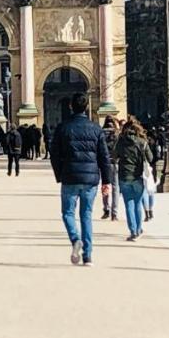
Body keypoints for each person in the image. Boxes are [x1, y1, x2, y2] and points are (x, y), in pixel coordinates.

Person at [50, 93, 112, 267]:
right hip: (91, 178)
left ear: (71, 106)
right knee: (86, 215)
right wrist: (106, 181)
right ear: (86, 107)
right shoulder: (96, 129)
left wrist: (59, 174)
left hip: (69, 176)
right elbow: (104, 157)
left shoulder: (63, 128)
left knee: (68, 213)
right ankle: (88, 256)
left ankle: (75, 239)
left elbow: (54, 154)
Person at [114, 116, 154, 241]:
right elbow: (151, 158)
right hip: (138, 175)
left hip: (124, 175)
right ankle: (138, 228)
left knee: (128, 204)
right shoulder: (142, 142)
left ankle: (133, 231)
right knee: (137, 203)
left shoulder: (121, 141)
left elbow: (114, 156)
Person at [100, 115, 120, 220]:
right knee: (115, 188)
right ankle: (114, 212)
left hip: (104, 163)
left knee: (105, 186)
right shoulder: (117, 134)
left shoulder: (101, 133)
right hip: (115, 162)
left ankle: (106, 208)